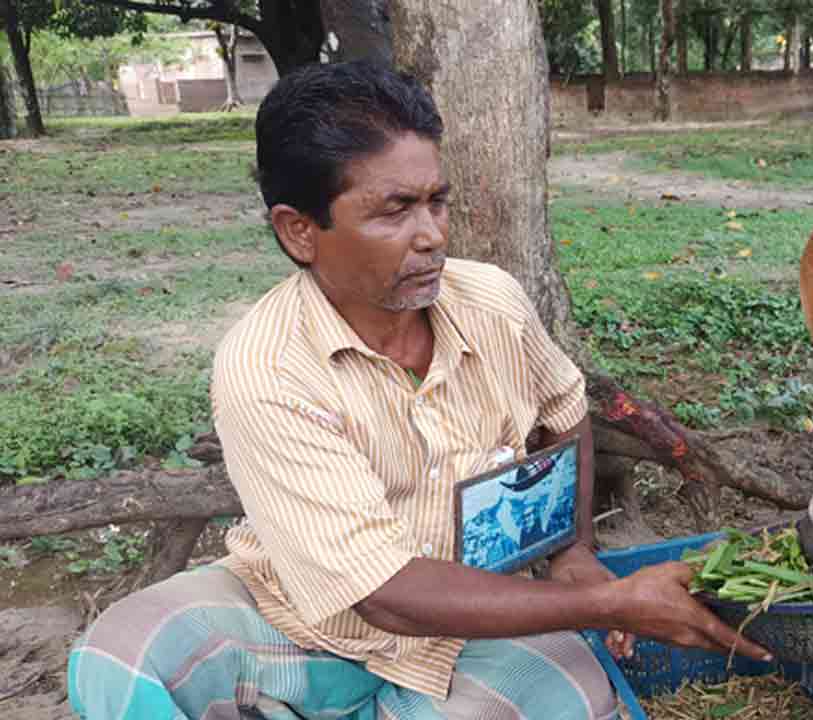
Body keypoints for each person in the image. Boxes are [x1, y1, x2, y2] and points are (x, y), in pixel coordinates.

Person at [65, 60, 769, 720]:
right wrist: (611, 604)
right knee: (117, 657)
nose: (430, 235)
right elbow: (385, 596)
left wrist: (574, 553)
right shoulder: (266, 369)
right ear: (300, 231)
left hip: (476, 619)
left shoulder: (491, 303)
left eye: (437, 201)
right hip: (302, 621)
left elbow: (564, 415)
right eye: (394, 209)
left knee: (574, 701)